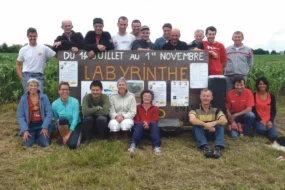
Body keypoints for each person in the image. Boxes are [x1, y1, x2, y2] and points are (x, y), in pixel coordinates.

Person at [189, 88, 227, 159]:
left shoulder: (216, 109)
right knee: (196, 126)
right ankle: (205, 147)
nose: (205, 98)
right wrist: (205, 125)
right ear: (200, 97)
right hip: (200, 133)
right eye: (203, 96)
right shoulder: (194, 108)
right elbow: (192, 120)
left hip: (213, 132)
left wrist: (213, 123)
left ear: (211, 98)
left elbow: (224, 120)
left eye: (208, 96)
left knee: (220, 125)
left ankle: (217, 148)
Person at [16, 28, 56, 93]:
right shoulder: (23, 49)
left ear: (37, 36)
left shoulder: (43, 48)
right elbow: (18, 64)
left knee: (39, 96)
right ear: (27, 36)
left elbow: (56, 55)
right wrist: (22, 78)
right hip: (27, 75)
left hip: (39, 75)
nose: (32, 38)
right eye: (30, 36)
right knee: (28, 97)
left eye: (34, 36)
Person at [17, 78, 53, 147]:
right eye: (31, 85)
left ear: (38, 87)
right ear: (27, 87)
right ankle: (33, 135)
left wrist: (45, 127)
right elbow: (20, 116)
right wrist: (25, 130)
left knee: (45, 144)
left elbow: (49, 113)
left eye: (35, 85)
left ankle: (41, 135)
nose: (33, 87)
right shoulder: (23, 99)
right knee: (27, 145)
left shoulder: (44, 97)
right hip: (30, 125)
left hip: (41, 124)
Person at [52, 82, 81, 149]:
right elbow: (57, 119)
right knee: (62, 119)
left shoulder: (75, 102)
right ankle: (62, 136)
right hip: (63, 125)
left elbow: (75, 119)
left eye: (67, 89)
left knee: (72, 145)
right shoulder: (54, 104)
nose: (64, 91)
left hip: (75, 125)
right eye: (62, 89)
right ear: (59, 91)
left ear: (69, 91)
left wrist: (68, 135)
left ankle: (68, 137)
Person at [252, 77, 278, 142]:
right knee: (261, 130)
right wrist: (260, 120)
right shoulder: (254, 95)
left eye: (264, 84)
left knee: (274, 136)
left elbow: (273, 110)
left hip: (268, 119)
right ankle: (260, 130)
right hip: (258, 119)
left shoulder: (272, 96)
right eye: (260, 84)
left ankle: (269, 131)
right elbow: (253, 110)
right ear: (257, 85)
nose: (262, 86)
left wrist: (270, 121)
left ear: (267, 85)